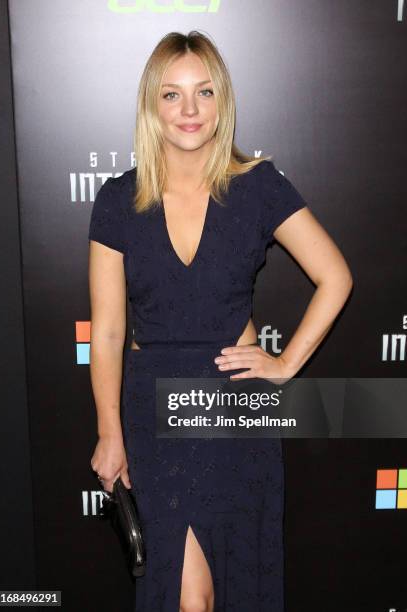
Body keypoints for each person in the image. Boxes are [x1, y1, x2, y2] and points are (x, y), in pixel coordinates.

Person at [88, 30, 352, 612]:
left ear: (222, 100)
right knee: (189, 596)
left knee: (237, 584)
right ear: (151, 106)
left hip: (233, 408)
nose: (189, 110)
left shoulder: (258, 188)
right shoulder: (118, 200)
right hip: (153, 412)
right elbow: (106, 333)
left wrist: (283, 366)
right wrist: (110, 432)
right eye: (172, 94)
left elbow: (336, 277)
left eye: (204, 93)